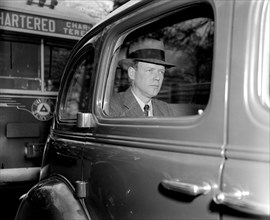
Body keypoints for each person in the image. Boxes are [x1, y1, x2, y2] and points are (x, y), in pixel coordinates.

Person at [109, 38, 175, 117]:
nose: (157, 78)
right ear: (132, 73)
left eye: (161, 72)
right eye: (150, 70)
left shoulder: (165, 109)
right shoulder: (113, 107)